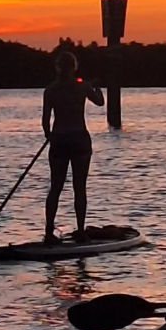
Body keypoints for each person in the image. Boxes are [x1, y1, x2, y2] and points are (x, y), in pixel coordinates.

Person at [42, 50, 104, 243]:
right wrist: (97, 87)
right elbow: (100, 102)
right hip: (79, 140)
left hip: (59, 140)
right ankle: (81, 231)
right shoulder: (83, 87)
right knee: (80, 187)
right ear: (74, 67)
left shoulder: (50, 90)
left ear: (57, 67)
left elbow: (45, 121)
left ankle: (48, 232)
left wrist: (49, 136)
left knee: (55, 187)